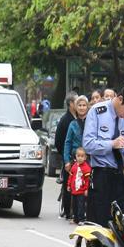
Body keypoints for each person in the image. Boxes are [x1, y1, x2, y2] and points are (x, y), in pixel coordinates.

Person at [83, 82, 124, 226]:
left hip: (119, 174)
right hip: (101, 174)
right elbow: (88, 144)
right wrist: (111, 144)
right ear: (120, 99)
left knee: (120, 221)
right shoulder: (97, 112)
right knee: (99, 220)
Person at [55, 91, 78, 219]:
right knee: (68, 183)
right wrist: (65, 156)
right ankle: (68, 210)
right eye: (76, 102)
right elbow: (59, 141)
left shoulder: (78, 118)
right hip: (68, 158)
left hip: (78, 157)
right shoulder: (65, 120)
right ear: (70, 104)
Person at [63, 95, 89, 172]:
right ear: (76, 107)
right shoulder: (72, 124)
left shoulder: (92, 123)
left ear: (87, 107)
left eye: (84, 105)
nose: (81, 107)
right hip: (75, 160)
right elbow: (68, 142)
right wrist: (67, 161)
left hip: (89, 159)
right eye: (79, 105)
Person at [67, 147, 91, 225]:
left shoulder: (86, 168)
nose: (80, 158)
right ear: (76, 156)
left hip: (81, 190)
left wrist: (86, 189)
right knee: (74, 205)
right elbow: (71, 176)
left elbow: (87, 180)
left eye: (82, 156)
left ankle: (81, 219)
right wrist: (69, 185)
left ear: (85, 157)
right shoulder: (74, 166)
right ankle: (75, 218)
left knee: (81, 205)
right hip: (74, 190)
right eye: (78, 156)